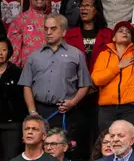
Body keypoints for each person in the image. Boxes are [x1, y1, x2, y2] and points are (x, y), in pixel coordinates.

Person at [20, 13, 91, 141]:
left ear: (63, 32)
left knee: (62, 149)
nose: (48, 32)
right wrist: (32, 112)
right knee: (39, 148)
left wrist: (72, 102)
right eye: (46, 28)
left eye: (53, 29)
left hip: (64, 111)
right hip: (39, 110)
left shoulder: (76, 54)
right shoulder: (34, 56)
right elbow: (27, 85)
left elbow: (85, 84)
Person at [65, 0, 113, 158]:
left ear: (97, 10)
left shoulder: (108, 34)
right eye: (81, 6)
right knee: (77, 135)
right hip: (76, 94)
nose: (83, 9)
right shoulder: (69, 35)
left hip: (102, 93)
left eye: (88, 6)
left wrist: (94, 84)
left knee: (99, 134)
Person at [92, 20, 134, 139]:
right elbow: (97, 80)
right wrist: (118, 67)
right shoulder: (104, 54)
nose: (125, 33)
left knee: (131, 143)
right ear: (113, 38)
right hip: (107, 109)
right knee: (108, 143)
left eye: (128, 32)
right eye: (120, 31)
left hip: (130, 108)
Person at [8, 0, 51, 68]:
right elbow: (13, 53)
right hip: (27, 73)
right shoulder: (20, 20)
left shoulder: (55, 19)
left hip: (51, 71)